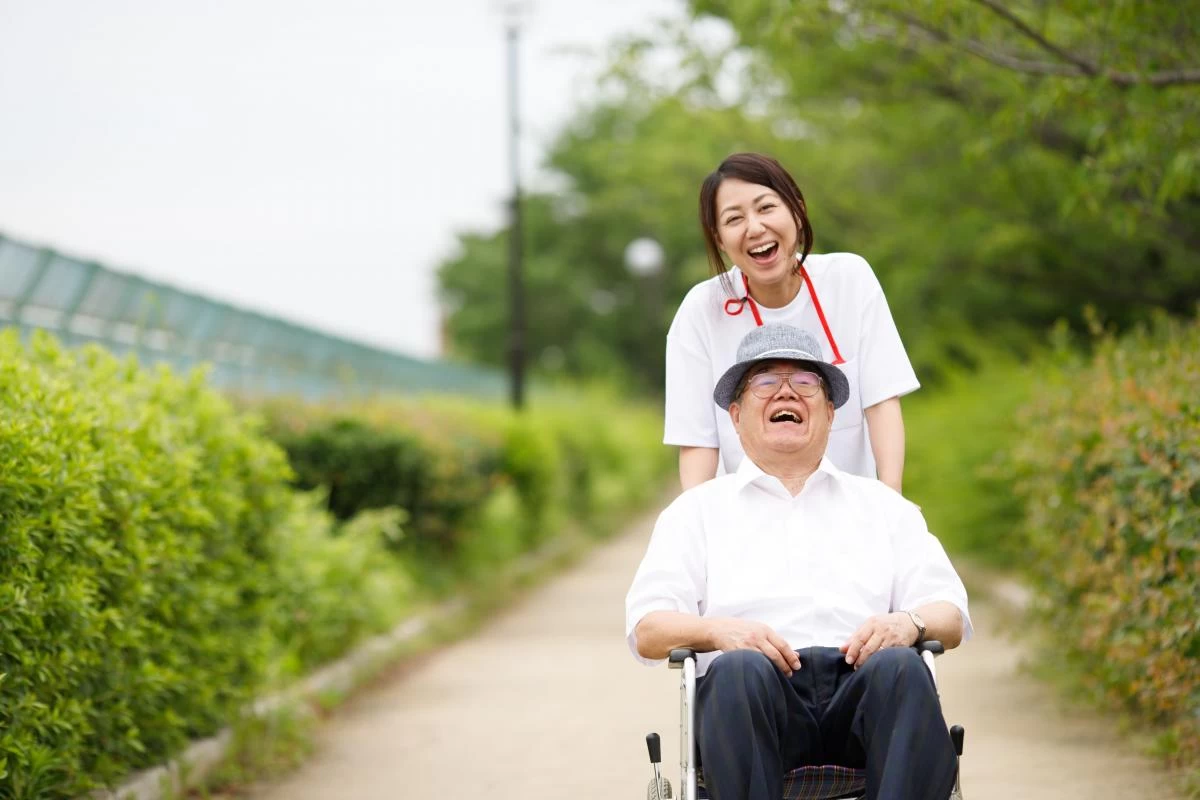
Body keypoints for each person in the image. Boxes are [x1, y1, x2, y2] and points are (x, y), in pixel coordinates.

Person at [628, 323, 971, 800]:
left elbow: (949, 614)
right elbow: (648, 628)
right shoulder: (696, 512)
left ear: (830, 413)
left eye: (806, 383)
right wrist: (718, 632)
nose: (786, 392)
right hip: (755, 701)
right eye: (765, 382)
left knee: (903, 666)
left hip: (863, 692)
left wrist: (908, 623)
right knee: (737, 670)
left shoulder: (885, 507)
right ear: (735, 414)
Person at [666, 152, 919, 492]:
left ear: (797, 211)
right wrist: (698, 531)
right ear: (719, 240)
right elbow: (698, 441)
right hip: (749, 522)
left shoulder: (850, 279)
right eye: (734, 219)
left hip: (849, 514)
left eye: (766, 207)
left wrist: (891, 504)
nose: (755, 228)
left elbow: (882, 401)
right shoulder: (701, 310)